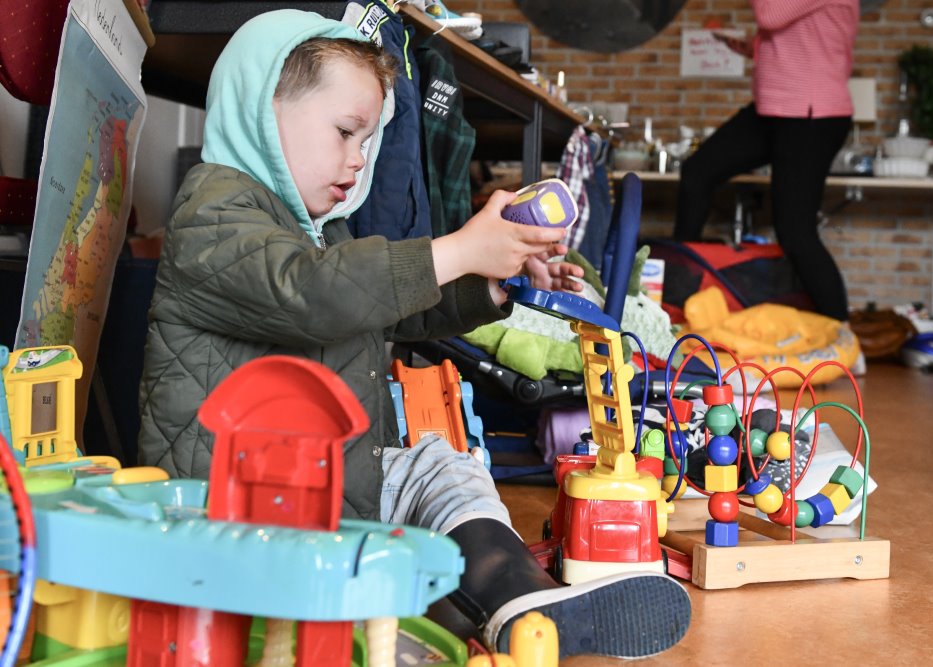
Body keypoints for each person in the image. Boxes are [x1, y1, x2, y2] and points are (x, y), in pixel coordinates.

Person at [137, 9, 691, 660]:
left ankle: (511, 594)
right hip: (231, 502)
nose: (356, 159)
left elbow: (390, 309)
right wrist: (458, 247)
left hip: (327, 481)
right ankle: (446, 604)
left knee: (439, 463)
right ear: (262, 109)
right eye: (345, 132)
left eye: (367, 140)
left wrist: (491, 278)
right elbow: (315, 291)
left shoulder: (321, 230)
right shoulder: (213, 211)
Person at [674, 0, 859, 321]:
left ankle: (841, 332)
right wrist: (756, 47)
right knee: (697, 173)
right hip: (772, 110)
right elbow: (796, 34)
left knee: (795, 233)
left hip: (810, 115)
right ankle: (679, 293)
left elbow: (769, 14)